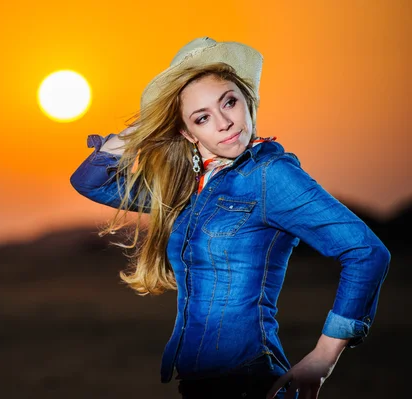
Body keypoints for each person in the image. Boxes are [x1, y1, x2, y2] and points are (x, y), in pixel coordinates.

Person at [69, 37, 390, 399]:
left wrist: (324, 356)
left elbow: (366, 252)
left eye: (230, 102)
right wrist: (144, 127)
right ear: (188, 133)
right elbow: (91, 183)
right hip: (198, 386)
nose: (224, 123)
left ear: (247, 101)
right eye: (202, 118)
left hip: (249, 382)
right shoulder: (189, 188)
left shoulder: (269, 175)